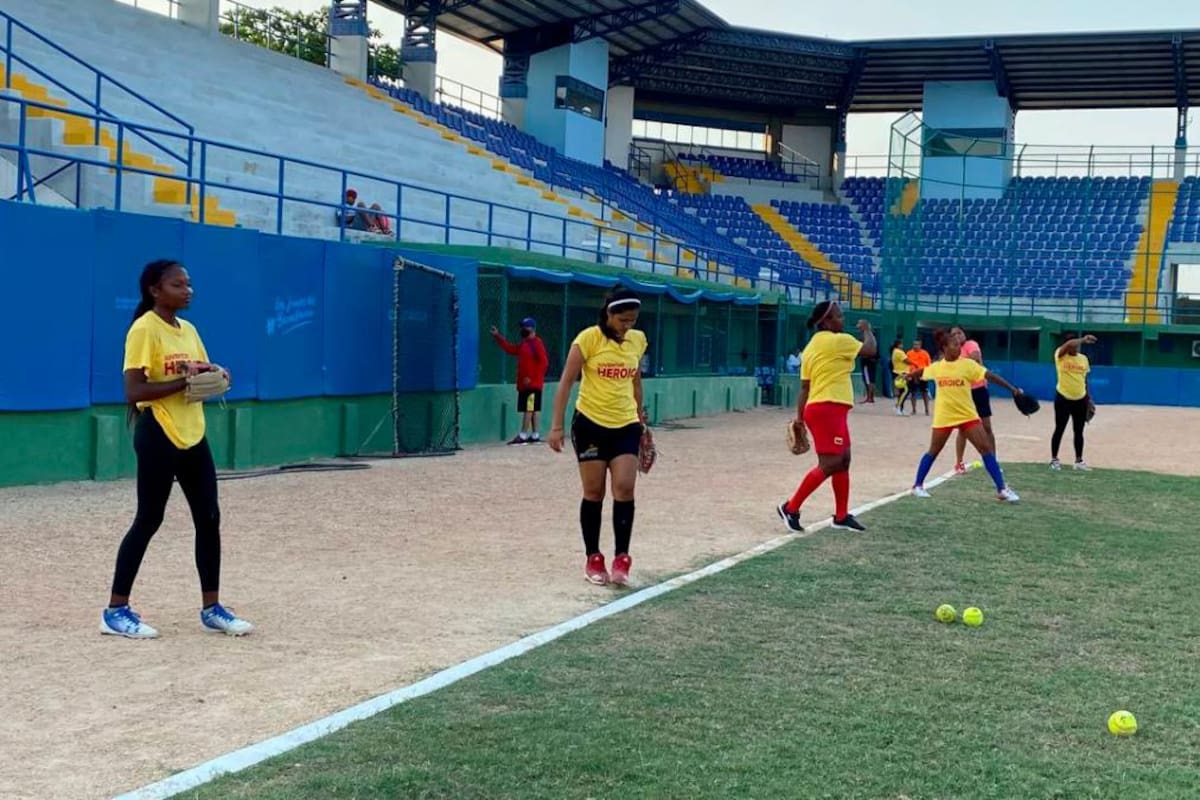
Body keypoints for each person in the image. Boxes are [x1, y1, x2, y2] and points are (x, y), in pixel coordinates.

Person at [101, 259, 253, 639]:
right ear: (155, 290)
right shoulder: (143, 329)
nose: (188, 290)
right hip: (157, 433)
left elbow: (198, 369)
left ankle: (212, 609)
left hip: (192, 433)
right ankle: (115, 611)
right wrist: (181, 384)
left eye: (188, 284)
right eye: (177, 284)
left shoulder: (188, 330)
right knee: (149, 519)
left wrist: (217, 374)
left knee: (209, 518)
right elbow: (134, 392)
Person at [547, 288, 648, 587]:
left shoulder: (637, 340)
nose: (627, 325)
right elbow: (566, 383)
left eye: (632, 320)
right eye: (622, 320)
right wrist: (556, 426)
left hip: (626, 424)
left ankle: (622, 557)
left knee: (625, 488)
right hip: (590, 423)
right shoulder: (587, 339)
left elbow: (635, 381)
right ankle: (593, 557)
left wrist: (641, 420)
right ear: (609, 314)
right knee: (594, 493)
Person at [777, 300, 876, 534]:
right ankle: (790, 508)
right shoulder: (836, 340)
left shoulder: (811, 347)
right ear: (827, 321)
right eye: (839, 316)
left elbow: (804, 388)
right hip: (827, 408)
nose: (842, 320)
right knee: (831, 463)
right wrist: (867, 329)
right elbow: (870, 350)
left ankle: (841, 516)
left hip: (824, 408)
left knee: (844, 460)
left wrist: (800, 418)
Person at [908, 328, 1024, 503]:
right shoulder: (938, 367)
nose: (958, 348)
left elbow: (990, 376)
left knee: (985, 449)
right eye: (954, 345)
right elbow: (922, 372)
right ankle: (917, 486)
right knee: (933, 450)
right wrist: (909, 375)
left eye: (958, 345)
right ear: (944, 348)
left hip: (967, 415)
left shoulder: (968, 364)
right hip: (944, 416)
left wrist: (1012, 389)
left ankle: (1002, 489)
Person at [490, 317, 550, 445]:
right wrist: (498, 336)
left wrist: (532, 377)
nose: (522, 329)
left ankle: (523, 435)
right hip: (525, 385)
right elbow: (511, 349)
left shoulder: (537, 343)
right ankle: (535, 435)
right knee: (533, 409)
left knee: (529, 408)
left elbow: (544, 363)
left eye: (525, 327)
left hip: (533, 385)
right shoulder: (524, 344)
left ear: (532, 329)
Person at [951, 326, 995, 475]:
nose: (957, 336)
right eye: (953, 334)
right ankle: (959, 463)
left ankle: (993, 461)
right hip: (964, 393)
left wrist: (958, 361)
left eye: (959, 333)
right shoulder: (954, 350)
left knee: (987, 427)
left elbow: (975, 357)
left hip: (979, 389)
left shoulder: (971, 344)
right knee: (963, 430)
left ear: (964, 334)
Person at [1050, 333, 1097, 471]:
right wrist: (1083, 339)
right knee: (1059, 429)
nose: (1076, 347)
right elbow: (1069, 345)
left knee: (1079, 431)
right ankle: (1054, 459)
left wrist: (1089, 399)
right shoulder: (1060, 355)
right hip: (1063, 398)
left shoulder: (1083, 359)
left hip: (1080, 399)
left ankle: (1078, 461)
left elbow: (1085, 380)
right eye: (1074, 344)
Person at [905, 337, 932, 415]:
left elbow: (929, 365)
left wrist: (927, 375)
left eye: (917, 344)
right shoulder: (909, 353)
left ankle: (927, 410)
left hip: (922, 375)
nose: (915, 346)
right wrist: (908, 375)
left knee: (925, 392)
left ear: (920, 345)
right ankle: (914, 410)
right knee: (913, 392)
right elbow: (906, 364)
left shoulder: (925, 353)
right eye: (914, 344)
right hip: (912, 375)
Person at [890, 339, 910, 415]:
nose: (902, 346)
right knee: (904, 391)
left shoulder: (894, 351)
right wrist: (914, 363)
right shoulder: (899, 352)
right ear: (898, 345)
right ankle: (898, 408)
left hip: (899, 373)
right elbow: (907, 360)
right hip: (901, 373)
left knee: (902, 392)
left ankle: (901, 408)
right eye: (901, 344)